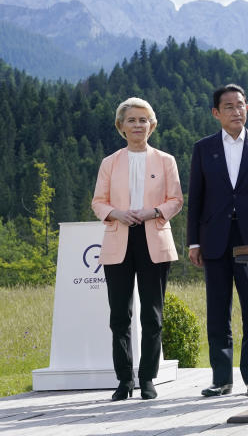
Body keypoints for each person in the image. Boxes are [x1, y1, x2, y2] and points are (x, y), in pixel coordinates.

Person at [187, 84, 248, 397]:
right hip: (214, 240)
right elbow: (197, 199)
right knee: (218, 311)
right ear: (216, 113)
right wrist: (193, 242)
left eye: (240, 105)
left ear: (247, 108)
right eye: (228, 106)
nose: (236, 111)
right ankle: (221, 378)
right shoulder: (203, 148)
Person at [92, 97, 182, 401]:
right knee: (119, 315)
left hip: (153, 240)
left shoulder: (166, 160)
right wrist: (116, 213)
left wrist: (152, 211)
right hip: (118, 240)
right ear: (121, 126)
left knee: (153, 316)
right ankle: (124, 380)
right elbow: (98, 202)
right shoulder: (110, 162)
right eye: (131, 120)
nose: (138, 125)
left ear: (152, 125)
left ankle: (147, 379)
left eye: (144, 119)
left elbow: (176, 200)